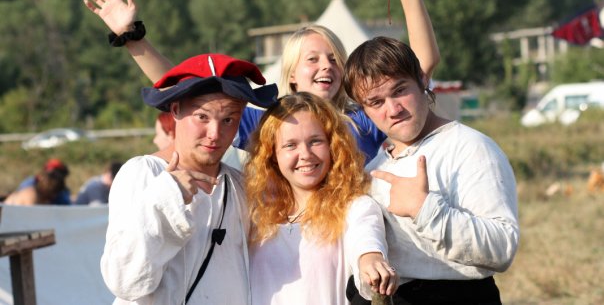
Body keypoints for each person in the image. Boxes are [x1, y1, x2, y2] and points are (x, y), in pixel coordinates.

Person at [82, 0, 439, 165]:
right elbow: (184, 87)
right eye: (313, 59)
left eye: (334, 58)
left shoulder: (365, 120)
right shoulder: (269, 124)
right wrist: (132, 38)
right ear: (292, 74)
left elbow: (420, 65)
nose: (326, 66)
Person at [342, 36, 520, 304]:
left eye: (400, 90)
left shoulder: (470, 147)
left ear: (423, 81)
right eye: (376, 102)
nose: (393, 109)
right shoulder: (376, 168)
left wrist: (425, 209)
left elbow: (502, 248)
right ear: (364, 110)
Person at [100, 53, 277, 304]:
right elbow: (125, 281)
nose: (215, 133)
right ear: (176, 110)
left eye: (228, 119)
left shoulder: (241, 187)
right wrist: (165, 198)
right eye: (202, 117)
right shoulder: (143, 174)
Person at [245, 92, 396, 304]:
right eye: (290, 145)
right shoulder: (254, 211)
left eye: (315, 141)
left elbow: (367, 239)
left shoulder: (355, 207)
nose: (305, 154)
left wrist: (371, 259)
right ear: (272, 154)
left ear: (333, 146)